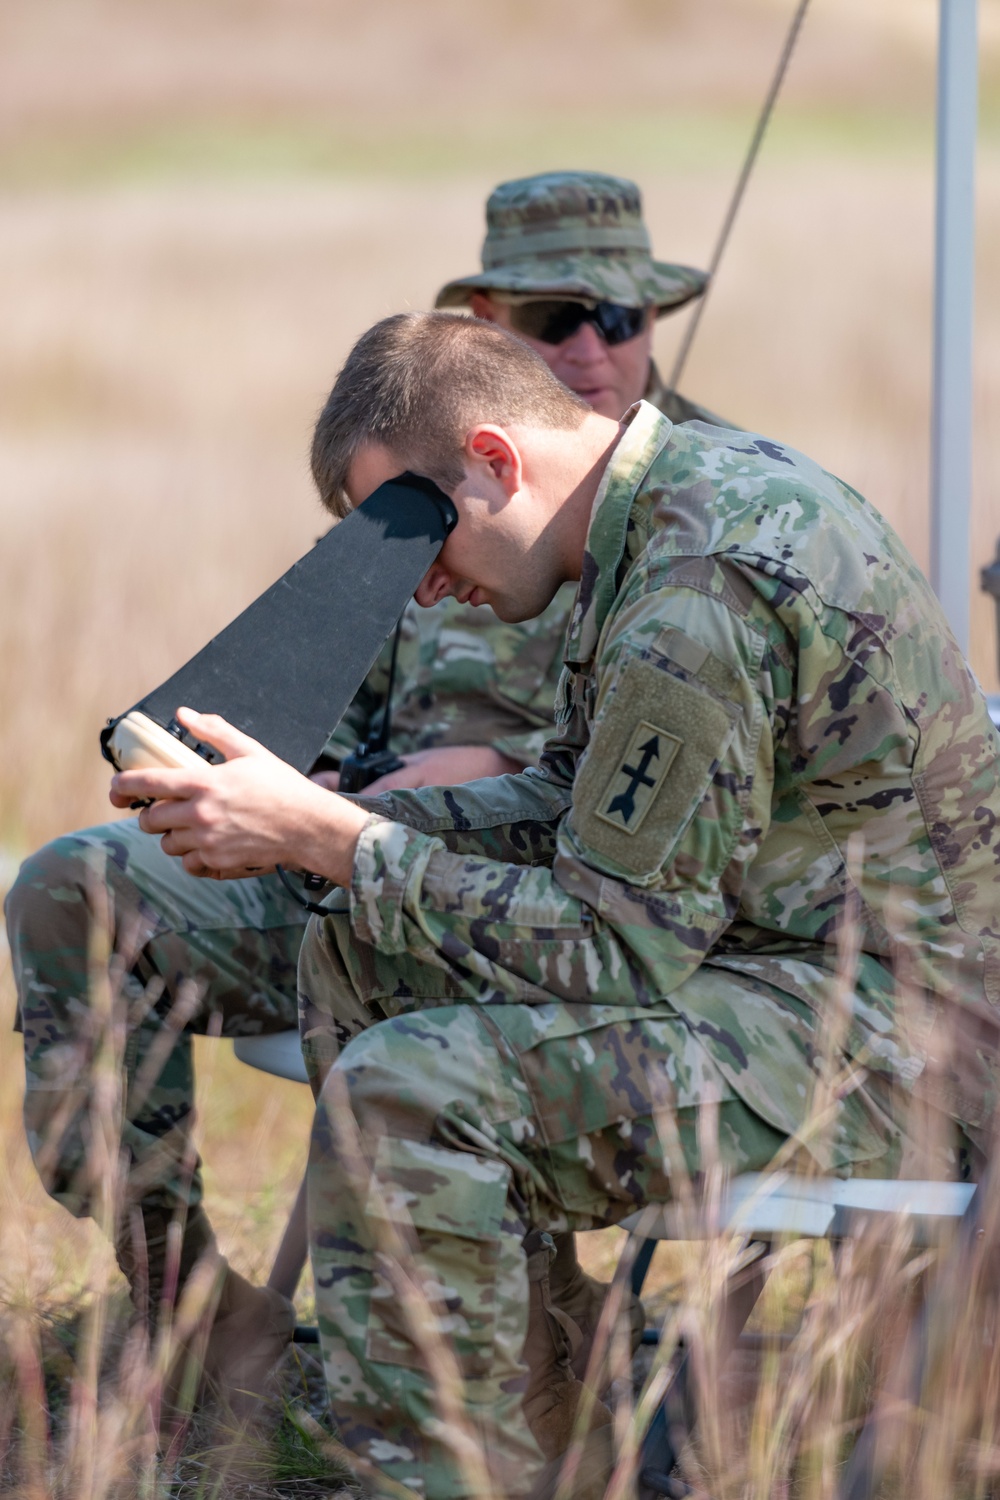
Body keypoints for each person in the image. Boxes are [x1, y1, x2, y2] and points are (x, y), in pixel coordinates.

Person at [110, 309, 1000, 1500]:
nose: (417, 587)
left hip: (904, 1038)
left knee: (408, 1090)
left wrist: (340, 842)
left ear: (493, 459)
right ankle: (554, 1424)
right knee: (360, 959)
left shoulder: (699, 580)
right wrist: (329, 825)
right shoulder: (669, 500)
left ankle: (450, 1470)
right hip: (775, 961)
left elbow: (617, 945)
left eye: (416, 530)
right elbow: (592, 815)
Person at [5, 171, 723, 1409]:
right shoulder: (422, 492)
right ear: (491, 321)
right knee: (74, 885)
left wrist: (491, 774)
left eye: (626, 314)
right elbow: (341, 700)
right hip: (356, 854)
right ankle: (188, 1308)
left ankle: (529, 1351)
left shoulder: (700, 505)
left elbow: (681, 808)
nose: (598, 344)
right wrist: (320, 781)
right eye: (560, 316)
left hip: (545, 902)